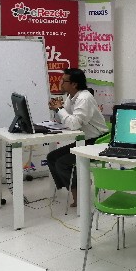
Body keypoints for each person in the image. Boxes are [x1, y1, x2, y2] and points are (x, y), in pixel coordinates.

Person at [47, 68, 108, 206]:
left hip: (97, 141)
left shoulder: (84, 98)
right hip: (84, 140)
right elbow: (65, 119)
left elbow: (74, 124)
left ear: (74, 84)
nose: (61, 83)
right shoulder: (71, 97)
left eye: (64, 81)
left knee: (62, 163)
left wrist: (59, 109)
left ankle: (78, 193)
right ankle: (78, 184)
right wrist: (57, 109)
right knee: (52, 157)